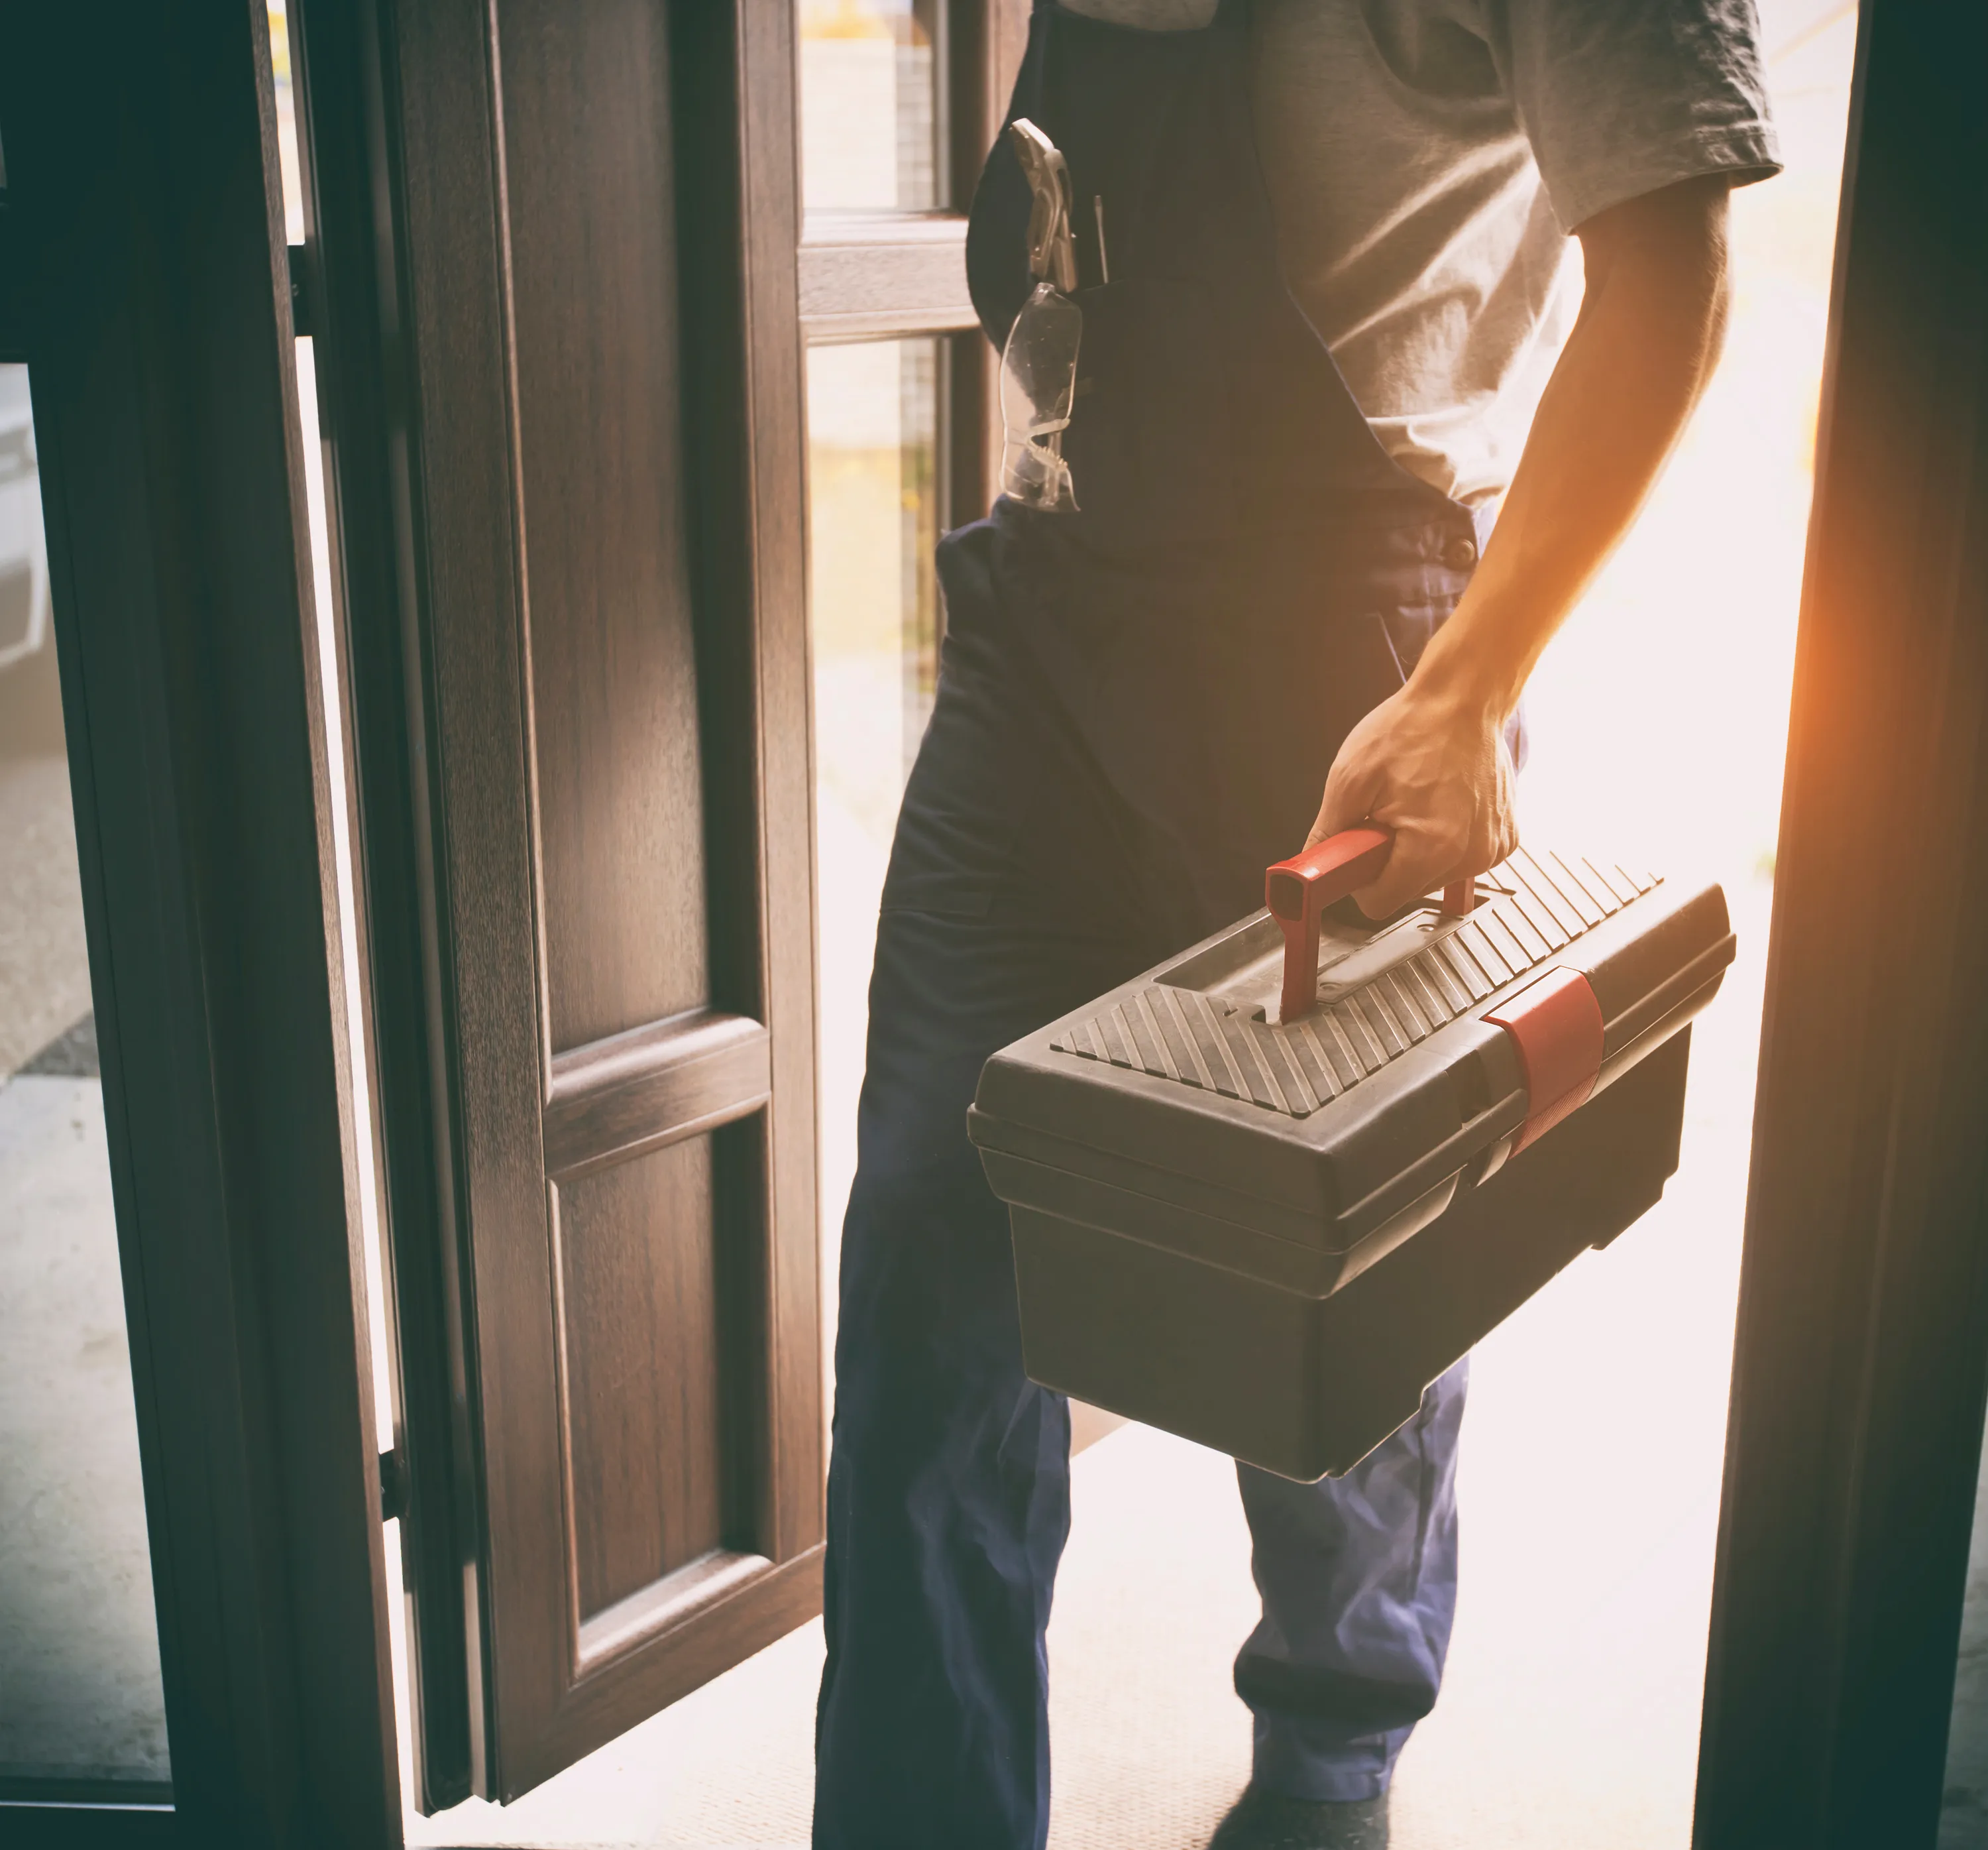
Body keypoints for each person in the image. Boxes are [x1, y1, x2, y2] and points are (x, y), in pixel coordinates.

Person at [813, 3, 1779, 1845]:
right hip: (1049, 611)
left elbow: (1672, 271)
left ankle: (1335, 1754)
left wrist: (1467, 690)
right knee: (933, 1232)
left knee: (1342, 1261)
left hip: (1346, 641)